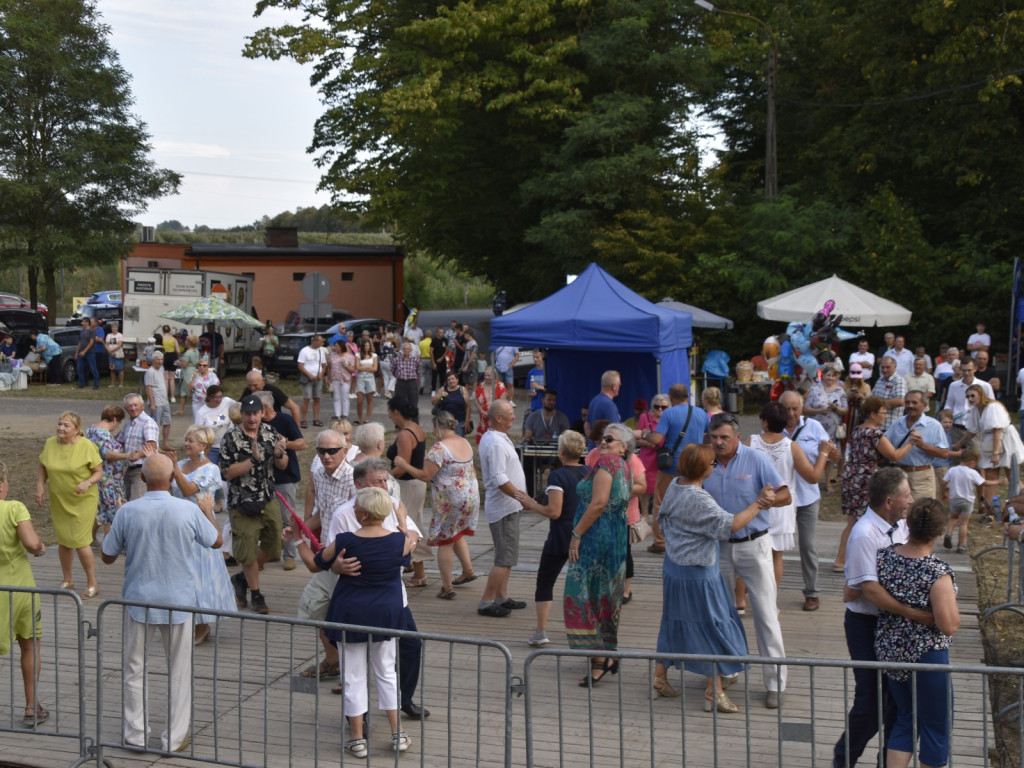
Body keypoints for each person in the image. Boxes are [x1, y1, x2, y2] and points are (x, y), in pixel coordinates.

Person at [100, 453, 219, 753]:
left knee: (134, 669)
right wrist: (208, 511)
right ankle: (175, 738)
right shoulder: (186, 510)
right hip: (178, 601)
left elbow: (107, 555)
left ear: (142, 478)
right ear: (171, 478)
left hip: (139, 600)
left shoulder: (129, 512)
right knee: (179, 671)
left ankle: (135, 734)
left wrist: (118, 519)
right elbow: (215, 541)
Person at [291, 486, 417, 758]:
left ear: (360, 513)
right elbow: (407, 553)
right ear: (384, 513)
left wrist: (297, 539)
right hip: (387, 614)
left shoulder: (345, 541)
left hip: (352, 614)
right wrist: (403, 520)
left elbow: (315, 564)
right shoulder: (399, 541)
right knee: (386, 671)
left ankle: (358, 739)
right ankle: (397, 733)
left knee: (354, 676)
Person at [651, 444, 771, 711]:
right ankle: (713, 693)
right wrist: (759, 503)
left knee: (673, 620)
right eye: (713, 464)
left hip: (674, 568)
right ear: (703, 469)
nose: (715, 467)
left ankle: (660, 678)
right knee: (712, 625)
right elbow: (731, 525)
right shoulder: (698, 498)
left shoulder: (674, 486)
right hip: (698, 572)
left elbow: (661, 518)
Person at [833, 467, 932, 768]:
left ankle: (886, 762)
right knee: (870, 701)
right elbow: (870, 591)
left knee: (897, 701)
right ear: (890, 501)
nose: (911, 500)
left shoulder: (901, 526)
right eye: (907, 495)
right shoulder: (865, 534)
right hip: (866, 624)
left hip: (892, 625)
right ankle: (844, 760)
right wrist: (914, 613)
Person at [321, 461, 431, 721]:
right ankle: (358, 717)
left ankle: (404, 699)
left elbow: (413, 534)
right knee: (358, 665)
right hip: (358, 597)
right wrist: (337, 566)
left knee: (410, 646)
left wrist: (409, 539)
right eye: (377, 482)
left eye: (385, 480)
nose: (384, 486)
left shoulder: (391, 504)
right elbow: (331, 556)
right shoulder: (345, 514)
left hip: (393, 596)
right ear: (359, 485)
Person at [703, 412, 791, 708]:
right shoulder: (707, 462)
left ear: (737, 437)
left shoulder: (755, 459)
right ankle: (728, 671)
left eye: (724, 437)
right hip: (720, 547)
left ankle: (775, 683)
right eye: (714, 437)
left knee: (766, 614)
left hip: (755, 545)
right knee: (722, 613)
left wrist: (770, 500)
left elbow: (786, 495)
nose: (718, 442)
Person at [874, 498, 960, 768]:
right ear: (941, 531)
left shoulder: (885, 556)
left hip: (892, 651)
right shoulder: (937, 572)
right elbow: (948, 625)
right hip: (927, 656)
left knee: (905, 718)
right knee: (936, 726)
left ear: (907, 524)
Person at [565, 422, 633, 685]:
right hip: (614, 538)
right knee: (606, 596)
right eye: (602, 438)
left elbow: (598, 504)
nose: (603, 442)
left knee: (586, 595)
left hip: (597, 538)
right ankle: (608, 653)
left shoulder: (608, 465)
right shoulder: (624, 466)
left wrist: (576, 534)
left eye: (610, 439)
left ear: (624, 447)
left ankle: (599, 660)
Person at [394, 410, 479, 599]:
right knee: (456, 533)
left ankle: (447, 587)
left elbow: (425, 476)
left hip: (450, 500)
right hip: (470, 496)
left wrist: (403, 464)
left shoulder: (440, 449)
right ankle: (468, 570)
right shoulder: (464, 442)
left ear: (437, 427)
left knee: (445, 541)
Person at [754, 401, 834, 601]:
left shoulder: (753, 442)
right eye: (787, 410)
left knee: (805, 546)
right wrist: (823, 453)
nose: (791, 413)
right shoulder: (788, 445)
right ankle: (766, 599)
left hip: (788, 500)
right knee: (771, 554)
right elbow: (814, 475)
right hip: (781, 503)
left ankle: (810, 593)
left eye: (795, 409)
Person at [219, 394, 290, 615]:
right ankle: (256, 594)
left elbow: (283, 464)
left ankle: (241, 578)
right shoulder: (231, 437)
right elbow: (227, 473)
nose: (252, 418)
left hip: (268, 498)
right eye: (248, 414)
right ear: (242, 415)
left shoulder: (270, 433)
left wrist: (278, 454)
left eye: (255, 414)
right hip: (242, 502)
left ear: (262, 413)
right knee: (248, 554)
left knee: (275, 548)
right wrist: (252, 460)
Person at [516, 430, 587, 647]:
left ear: (562, 451)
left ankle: (541, 630)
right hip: (584, 535)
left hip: (561, 536)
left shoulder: (557, 476)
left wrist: (531, 504)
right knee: (584, 584)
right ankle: (586, 629)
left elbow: (554, 511)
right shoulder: (590, 472)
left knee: (545, 581)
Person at [166, 425, 235, 645]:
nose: (186, 444)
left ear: (203, 446)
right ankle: (183, 620)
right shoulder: (184, 465)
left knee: (199, 576)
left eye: (191, 441)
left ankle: (201, 625)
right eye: (186, 440)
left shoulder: (211, 469)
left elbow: (188, 490)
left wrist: (174, 467)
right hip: (178, 525)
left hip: (200, 527)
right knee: (181, 575)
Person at [834, 397, 915, 572]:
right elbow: (894, 455)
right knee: (868, 521)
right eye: (883, 413)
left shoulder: (856, 431)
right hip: (866, 480)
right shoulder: (875, 434)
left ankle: (840, 560)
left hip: (851, 477)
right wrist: (911, 443)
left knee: (852, 522)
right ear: (873, 414)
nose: (885, 416)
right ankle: (863, 560)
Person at [0, 460, 48, 728]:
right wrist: (40, 547)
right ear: (2, 485)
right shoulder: (14, 508)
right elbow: (31, 543)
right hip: (19, 588)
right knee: (29, 645)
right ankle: (31, 706)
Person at [36, 411, 103, 599]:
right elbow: (43, 466)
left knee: (81, 542)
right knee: (64, 540)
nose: (61, 428)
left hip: (83, 499)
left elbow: (99, 472)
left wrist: (88, 482)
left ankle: (92, 583)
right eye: (59, 424)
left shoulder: (86, 446)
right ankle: (68, 579)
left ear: (76, 430)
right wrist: (40, 485)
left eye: (66, 425)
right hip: (60, 499)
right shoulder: (50, 443)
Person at [639, 383, 710, 554]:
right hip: (694, 464)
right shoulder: (701, 413)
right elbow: (709, 436)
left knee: (660, 503)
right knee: (691, 503)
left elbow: (656, 440)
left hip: (672, 466)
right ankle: (690, 538)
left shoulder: (669, 413)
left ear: (671, 398)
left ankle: (660, 542)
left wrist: (643, 434)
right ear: (688, 396)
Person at [477, 399, 528, 617]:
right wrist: (522, 497)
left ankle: (501, 597)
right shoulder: (496, 443)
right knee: (504, 559)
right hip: (504, 507)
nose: (514, 417)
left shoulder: (493, 437)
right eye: (510, 413)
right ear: (498, 418)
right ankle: (486, 601)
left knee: (506, 556)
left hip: (506, 506)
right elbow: (499, 477)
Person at [255, 390, 307, 571]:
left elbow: (302, 443)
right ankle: (269, 552)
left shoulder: (285, 421)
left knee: (287, 518)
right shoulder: (256, 424)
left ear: (264, 408)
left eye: (256, 409)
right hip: (262, 479)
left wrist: (283, 444)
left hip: (285, 478)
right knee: (264, 518)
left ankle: (290, 555)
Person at [386, 395, 434, 587]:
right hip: (416, 484)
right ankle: (412, 565)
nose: (390, 417)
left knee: (409, 526)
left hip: (407, 484)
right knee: (413, 522)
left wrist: (382, 478)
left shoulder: (405, 434)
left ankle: (420, 574)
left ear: (397, 413)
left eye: (390, 414)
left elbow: (401, 466)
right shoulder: (417, 429)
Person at [955, 384, 1024, 510]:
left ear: (981, 395)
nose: (970, 399)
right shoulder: (976, 410)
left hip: (1005, 440)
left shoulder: (993, 407)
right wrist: (958, 444)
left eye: (973, 396)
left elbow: (997, 430)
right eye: (968, 396)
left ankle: (1020, 505)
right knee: (990, 476)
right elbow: (972, 431)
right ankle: (991, 511)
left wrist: (996, 453)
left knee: (1012, 477)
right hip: (989, 442)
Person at [886, 390, 953, 500]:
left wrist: (922, 445)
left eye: (914, 402)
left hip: (922, 476)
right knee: (899, 514)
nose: (910, 406)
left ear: (925, 405)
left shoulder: (934, 425)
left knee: (922, 512)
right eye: (907, 402)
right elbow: (886, 444)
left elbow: (944, 453)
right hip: (899, 475)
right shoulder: (897, 423)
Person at [86, 406, 129, 542]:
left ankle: (91, 539)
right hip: (109, 479)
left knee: (101, 511)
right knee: (112, 511)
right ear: (115, 419)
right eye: (119, 422)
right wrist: (129, 455)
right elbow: (108, 454)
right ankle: (109, 545)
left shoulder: (91, 429)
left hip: (98, 476)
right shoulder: (103, 433)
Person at [942, 447, 994, 554]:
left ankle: (948, 533)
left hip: (954, 499)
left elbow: (943, 482)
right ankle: (961, 546)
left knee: (953, 518)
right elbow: (983, 483)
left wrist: (943, 492)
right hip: (967, 501)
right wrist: (999, 481)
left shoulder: (952, 470)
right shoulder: (972, 473)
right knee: (963, 524)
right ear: (972, 462)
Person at [118, 393, 160, 501]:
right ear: (126, 409)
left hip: (142, 469)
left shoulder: (148, 422)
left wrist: (138, 455)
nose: (133, 408)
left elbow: (152, 446)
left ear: (142, 406)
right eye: (130, 406)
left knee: (137, 502)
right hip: (130, 469)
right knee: (126, 501)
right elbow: (119, 442)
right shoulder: (128, 424)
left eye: (135, 405)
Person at [635, 394, 669, 525]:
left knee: (662, 486)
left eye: (663, 407)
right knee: (645, 486)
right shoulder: (645, 417)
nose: (660, 410)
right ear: (652, 407)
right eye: (657, 406)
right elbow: (637, 437)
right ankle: (644, 513)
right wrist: (649, 443)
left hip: (662, 457)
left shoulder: (668, 418)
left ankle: (659, 513)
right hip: (648, 457)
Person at [194, 385, 236, 467]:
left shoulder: (227, 402)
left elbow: (239, 406)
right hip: (212, 448)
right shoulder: (201, 413)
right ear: (209, 397)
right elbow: (197, 433)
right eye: (216, 397)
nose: (219, 400)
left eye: (220, 397)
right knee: (209, 470)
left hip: (228, 444)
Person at [298, 334, 327, 428]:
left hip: (318, 378)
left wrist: (321, 374)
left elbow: (324, 365)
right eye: (320, 341)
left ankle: (315, 419)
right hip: (307, 378)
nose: (322, 343)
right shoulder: (304, 351)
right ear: (314, 341)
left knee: (317, 398)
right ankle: (304, 419)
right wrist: (309, 375)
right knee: (306, 399)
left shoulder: (321, 351)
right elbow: (300, 365)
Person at [585, 370, 622, 443]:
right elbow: (616, 432)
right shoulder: (609, 406)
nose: (619, 386)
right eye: (619, 384)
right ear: (614, 387)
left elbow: (587, 426)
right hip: (605, 452)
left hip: (593, 450)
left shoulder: (594, 401)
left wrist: (594, 443)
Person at [474, 365, 508, 444]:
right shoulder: (481, 386)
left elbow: (502, 402)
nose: (487, 377)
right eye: (485, 375)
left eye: (489, 375)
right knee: (483, 443)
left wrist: (492, 413)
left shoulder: (500, 386)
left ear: (494, 375)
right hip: (483, 419)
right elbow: (476, 400)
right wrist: (482, 411)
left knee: (496, 442)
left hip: (496, 418)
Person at [144, 351, 171, 448]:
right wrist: (152, 404)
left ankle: (166, 444)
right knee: (155, 425)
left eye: (161, 359)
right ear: (153, 360)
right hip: (156, 403)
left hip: (164, 401)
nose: (160, 362)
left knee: (167, 422)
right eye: (158, 360)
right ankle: (155, 446)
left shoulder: (161, 369)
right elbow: (148, 388)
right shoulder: (150, 372)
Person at [432, 370, 471, 436]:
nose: (451, 381)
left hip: (459, 421)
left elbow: (468, 406)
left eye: (453, 379)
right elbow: (433, 402)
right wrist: (440, 396)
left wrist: (467, 421)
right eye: (449, 380)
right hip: (445, 422)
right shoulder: (443, 389)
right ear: (447, 382)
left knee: (458, 440)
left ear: (457, 380)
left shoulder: (462, 390)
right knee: (446, 439)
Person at [872, 356, 907, 430]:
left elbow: (900, 401)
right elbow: (872, 397)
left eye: (888, 367)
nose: (885, 370)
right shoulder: (880, 379)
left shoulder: (899, 380)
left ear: (895, 367)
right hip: (876, 425)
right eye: (882, 367)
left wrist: (878, 403)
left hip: (890, 426)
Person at [328, 336, 356, 419]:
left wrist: (346, 365)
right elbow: (329, 366)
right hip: (335, 378)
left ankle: (345, 414)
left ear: (341, 347)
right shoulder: (333, 355)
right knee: (336, 396)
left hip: (345, 379)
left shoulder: (349, 357)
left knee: (344, 396)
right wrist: (328, 378)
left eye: (336, 346)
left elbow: (353, 370)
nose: (334, 347)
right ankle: (337, 414)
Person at [391, 341, 420, 419]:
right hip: (400, 383)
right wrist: (399, 376)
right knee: (399, 403)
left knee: (413, 403)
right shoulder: (396, 359)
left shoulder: (415, 359)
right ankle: (399, 423)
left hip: (411, 383)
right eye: (405, 349)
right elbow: (393, 371)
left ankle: (414, 422)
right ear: (402, 350)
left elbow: (418, 371)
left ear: (411, 350)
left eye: (408, 349)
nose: (406, 350)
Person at [173, 336, 200, 416]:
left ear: (189, 342)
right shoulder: (196, 351)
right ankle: (181, 410)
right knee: (183, 392)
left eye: (186, 341)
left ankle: (198, 409)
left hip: (188, 373)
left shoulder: (188, 352)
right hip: (193, 371)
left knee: (191, 391)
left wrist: (178, 362)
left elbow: (185, 364)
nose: (185, 342)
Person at [187, 356, 220, 421]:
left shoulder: (212, 376)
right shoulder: (195, 375)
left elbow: (216, 389)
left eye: (204, 365)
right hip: (197, 402)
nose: (202, 367)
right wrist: (194, 377)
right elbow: (189, 388)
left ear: (207, 366)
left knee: (208, 421)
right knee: (198, 421)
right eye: (200, 365)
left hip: (208, 402)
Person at [74, 317, 99, 389]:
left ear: (87, 323)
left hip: (90, 352)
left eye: (83, 322)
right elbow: (80, 342)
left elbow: (91, 342)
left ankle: (96, 384)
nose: (82, 323)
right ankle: (82, 383)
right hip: (81, 352)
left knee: (93, 368)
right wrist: (77, 352)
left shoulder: (91, 331)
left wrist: (85, 351)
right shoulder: (82, 331)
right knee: (80, 368)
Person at [160, 325, 181, 404]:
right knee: (172, 378)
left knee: (166, 378)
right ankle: (172, 397)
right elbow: (178, 351)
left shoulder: (161, 339)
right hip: (172, 357)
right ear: (169, 331)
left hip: (164, 356)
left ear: (163, 331)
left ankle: (165, 397)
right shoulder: (173, 339)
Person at [105, 321, 125, 387]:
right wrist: (109, 351)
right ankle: (112, 384)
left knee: (120, 369)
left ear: (117, 328)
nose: (114, 328)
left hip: (118, 354)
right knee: (112, 369)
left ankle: (121, 384)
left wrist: (112, 350)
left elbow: (120, 345)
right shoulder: (108, 335)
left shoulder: (120, 335)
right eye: (113, 327)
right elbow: (106, 344)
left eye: (115, 327)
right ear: (111, 328)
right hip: (111, 355)